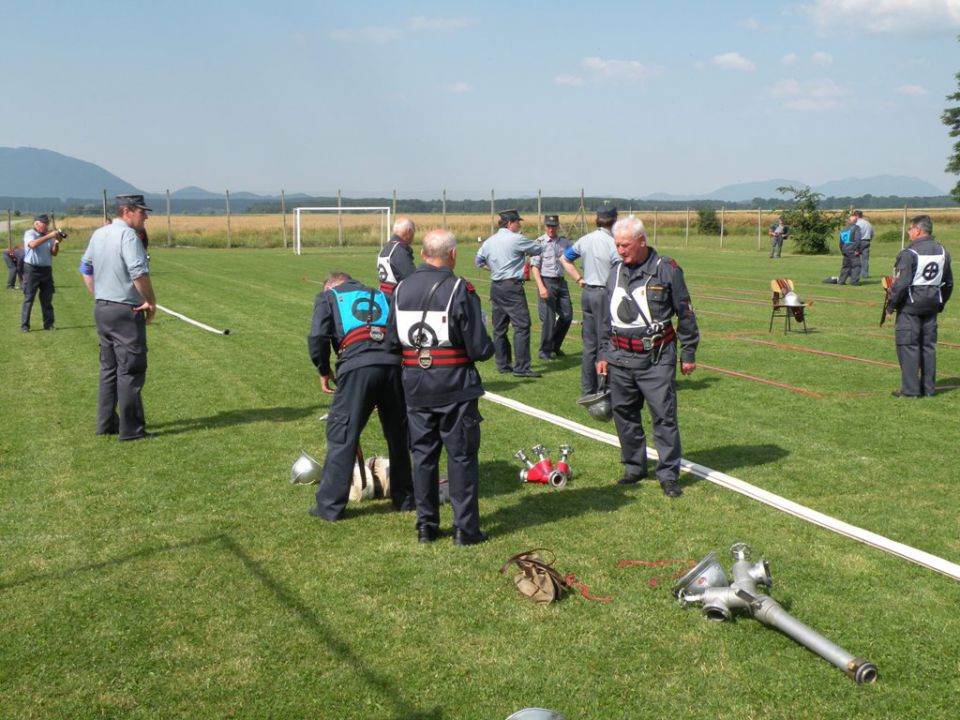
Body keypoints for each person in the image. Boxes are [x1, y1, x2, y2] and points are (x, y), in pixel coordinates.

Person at [394, 229, 495, 545]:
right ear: (452, 255)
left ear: (423, 254)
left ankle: (426, 526)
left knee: (422, 456)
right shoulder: (459, 289)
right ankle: (465, 529)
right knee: (461, 457)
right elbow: (479, 348)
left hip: (415, 385)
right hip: (454, 387)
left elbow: (392, 339)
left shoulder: (399, 290)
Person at [596, 215, 700, 498]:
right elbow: (605, 320)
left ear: (642, 241)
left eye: (625, 245)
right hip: (619, 358)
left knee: (663, 417)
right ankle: (634, 466)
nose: (620, 250)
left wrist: (688, 352)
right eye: (617, 245)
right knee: (624, 415)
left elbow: (686, 313)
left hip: (656, 358)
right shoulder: (614, 272)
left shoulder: (666, 270)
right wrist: (603, 353)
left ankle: (667, 475)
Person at [306, 272, 414, 520]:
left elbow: (318, 336)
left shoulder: (328, 297)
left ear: (331, 286)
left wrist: (323, 369)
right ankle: (406, 497)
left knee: (342, 433)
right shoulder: (384, 294)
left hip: (357, 367)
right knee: (398, 435)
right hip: (394, 365)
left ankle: (329, 506)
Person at [79, 195, 157, 441]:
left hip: (103, 309)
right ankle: (132, 430)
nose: (146, 216)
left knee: (109, 368)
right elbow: (138, 272)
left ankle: (106, 424)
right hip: (125, 312)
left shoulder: (99, 233)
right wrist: (150, 302)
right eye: (142, 211)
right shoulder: (128, 236)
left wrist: (99, 294)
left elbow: (85, 268)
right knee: (131, 370)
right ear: (127, 211)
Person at [885, 214, 953, 398]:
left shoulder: (909, 253)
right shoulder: (943, 251)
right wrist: (940, 303)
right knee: (928, 347)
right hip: (932, 306)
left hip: (910, 307)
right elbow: (948, 283)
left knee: (908, 346)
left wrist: (890, 306)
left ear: (917, 230)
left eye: (910, 229)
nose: (908, 232)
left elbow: (901, 284)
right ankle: (928, 389)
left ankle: (910, 390)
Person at [475, 209, 543, 377]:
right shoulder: (517, 239)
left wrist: (495, 269)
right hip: (512, 287)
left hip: (496, 286)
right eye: (518, 222)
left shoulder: (489, 241)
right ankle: (521, 367)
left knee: (499, 328)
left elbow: (478, 261)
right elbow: (538, 249)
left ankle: (503, 364)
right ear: (510, 223)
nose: (519, 225)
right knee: (522, 326)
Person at [561, 206, 620, 395]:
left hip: (587, 292)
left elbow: (564, 258)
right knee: (606, 340)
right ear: (614, 221)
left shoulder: (585, 239)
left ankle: (587, 388)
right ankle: (605, 386)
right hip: (604, 294)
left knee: (589, 344)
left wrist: (579, 278)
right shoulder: (612, 243)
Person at [530, 214, 573, 360]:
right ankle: (545, 351)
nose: (551, 229)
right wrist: (541, 287)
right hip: (546, 281)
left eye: (553, 226)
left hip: (561, 282)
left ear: (558, 226)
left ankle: (554, 345)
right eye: (548, 226)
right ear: (544, 226)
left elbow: (570, 260)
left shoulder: (565, 243)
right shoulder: (539, 243)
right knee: (548, 318)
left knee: (567, 316)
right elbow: (534, 267)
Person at [21, 214, 64, 331]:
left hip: (46, 270)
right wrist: (49, 235)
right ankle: (25, 326)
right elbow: (33, 244)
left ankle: (49, 324)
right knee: (29, 298)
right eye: (44, 224)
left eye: (47, 224)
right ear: (36, 224)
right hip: (32, 269)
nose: (46, 226)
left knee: (47, 299)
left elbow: (54, 253)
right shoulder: (30, 233)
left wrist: (56, 242)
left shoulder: (48, 236)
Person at [377, 216, 417, 296]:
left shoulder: (387, 247)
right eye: (413, 232)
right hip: (397, 298)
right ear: (409, 231)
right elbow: (412, 279)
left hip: (385, 295)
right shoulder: (399, 250)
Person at [837, 213, 863, 285]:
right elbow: (857, 240)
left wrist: (842, 250)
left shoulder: (844, 229)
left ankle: (841, 281)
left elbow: (841, 242)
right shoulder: (856, 228)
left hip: (845, 249)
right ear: (855, 220)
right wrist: (857, 249)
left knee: (845, 266)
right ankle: (854, 281)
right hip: (852, 249)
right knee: (856, 265)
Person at [853, 210, 874, 278]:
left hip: (859, 242)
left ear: (856, 216)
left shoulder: (857, 224)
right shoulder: (868, 223)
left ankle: (855, 274)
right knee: (865, 260)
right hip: (867, 241)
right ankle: (865, 275)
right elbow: (872, 234)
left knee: (856, 258)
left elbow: (855, 234)